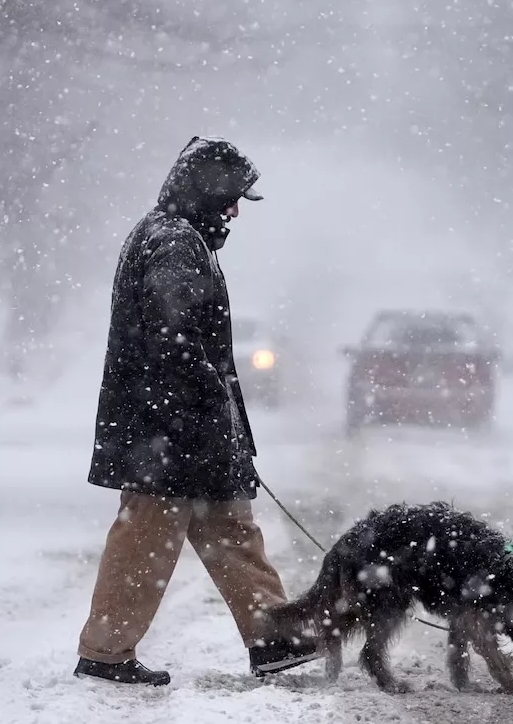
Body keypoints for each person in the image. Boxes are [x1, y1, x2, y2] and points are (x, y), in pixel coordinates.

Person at [74, 136, 319, 686]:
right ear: (204, 192)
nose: (234, 211)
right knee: (147, 538)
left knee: (230, 529)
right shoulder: (172, 243)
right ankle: (106, 653)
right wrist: (208, 409)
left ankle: (273, 638)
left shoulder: (180, 239)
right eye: (230, 198)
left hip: (183, 426)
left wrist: (222, 425)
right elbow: (174, 337)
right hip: (167, 429)